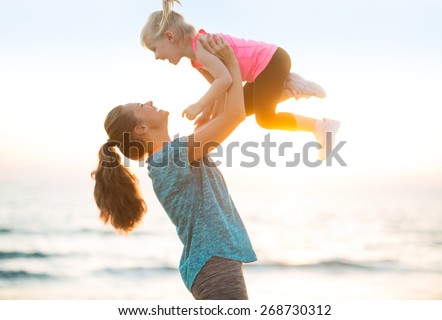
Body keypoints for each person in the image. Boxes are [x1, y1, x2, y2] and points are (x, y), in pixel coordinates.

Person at [92, 35, 256, 300]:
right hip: (213, 263)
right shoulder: (170, 159)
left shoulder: (173, 153)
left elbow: (226, 106)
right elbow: (235, 114)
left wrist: (212, 65)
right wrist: (232, 65)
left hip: (213, 262)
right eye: (140, 106)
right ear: (141, 129)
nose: (147, 101)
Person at [140, 0, 340, 160]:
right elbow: (220, 89)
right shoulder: (196, 59)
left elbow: (225, 79)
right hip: (268, 67)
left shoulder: (201, 46)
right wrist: (209, 117)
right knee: (240, 107)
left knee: (266, 119)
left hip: (271, 63)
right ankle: (289, 85)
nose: (156, 56)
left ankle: (320, 126)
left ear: (169, 37)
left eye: (154, 49)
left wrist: (199, 105)